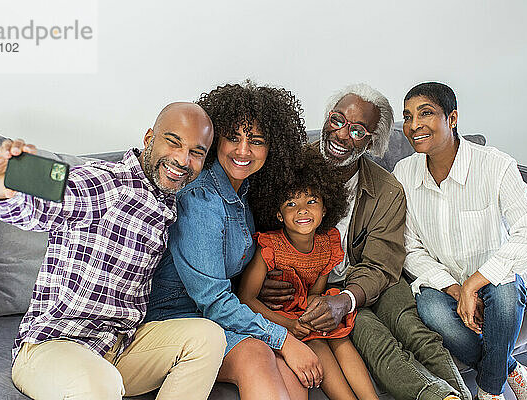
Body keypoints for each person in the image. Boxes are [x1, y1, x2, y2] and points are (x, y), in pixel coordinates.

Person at [0, 102, 226, 400]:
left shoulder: (168, 200)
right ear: (149, 139)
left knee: (208, 337)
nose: (182, 159)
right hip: (53, 348)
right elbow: (43, 207)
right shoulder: (105, 182)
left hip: (119, 349)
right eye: (173, 142)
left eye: (196, 152)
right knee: (100, 382)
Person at [259, 83, 472, 400]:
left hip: (370, 281)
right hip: (318, 288)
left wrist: (346, 299)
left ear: (373, 142)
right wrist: (264, 280)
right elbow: (264, 238)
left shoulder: (386, 188)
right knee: (374, 338)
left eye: (358, 131)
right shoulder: (289, 170)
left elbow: (381, 264)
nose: (342, 135)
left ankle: (462, 395)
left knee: (415, 330)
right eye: (337, 121)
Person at [144, 82, 322, 400]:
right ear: (216, 141)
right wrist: (284, 338)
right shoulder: (200, 198)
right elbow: (212, 300)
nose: (243, 151)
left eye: (256, 141)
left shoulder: (245, 189)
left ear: (271, 148)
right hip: (174, 320)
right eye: (233, 138)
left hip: (214, 315)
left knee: (292, 373)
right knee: (257, 353)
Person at [393, 82, 527, 400]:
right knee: (434, 316)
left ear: (452, 118)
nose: (413, 125)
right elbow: (409, 246)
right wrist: (454, 287)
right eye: (408, 117)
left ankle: (489, 391)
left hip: (497, 273)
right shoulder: (404, 173)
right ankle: (511, 370)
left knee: (504, 301)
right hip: (442, 279)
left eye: (426, 113)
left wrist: (474, 283)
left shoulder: (494, 165)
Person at [238, 147, 378, 400]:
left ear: (325, 208)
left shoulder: (328, 243)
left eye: (311, 201)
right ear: (278, 214)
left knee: (339, 337)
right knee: (317, 343)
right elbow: (246, 299)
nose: (302, 210)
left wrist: (317, 309)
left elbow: (315, 292)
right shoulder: (269, 247)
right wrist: (291, 324)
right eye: (291, 204)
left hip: (304, 312)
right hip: (278, 317)